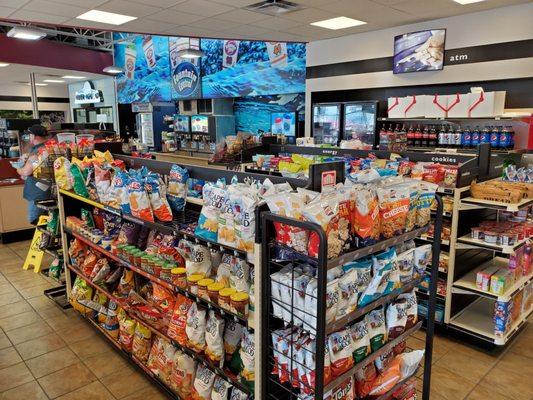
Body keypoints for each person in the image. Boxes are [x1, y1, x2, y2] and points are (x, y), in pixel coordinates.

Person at [16, 124, 52, 225]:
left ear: (35, 136)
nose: (29, 137)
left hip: (38, 193)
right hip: (46, 190)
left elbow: (26, 172)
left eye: (30, 135)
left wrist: (18, 168)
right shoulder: (47, 147)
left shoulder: (37, 151)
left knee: (35, 219)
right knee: (46, 220)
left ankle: (42, 240)